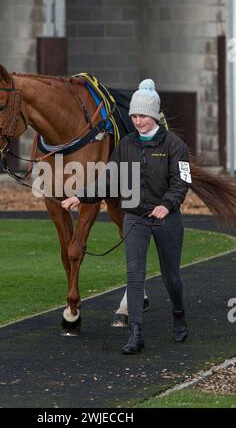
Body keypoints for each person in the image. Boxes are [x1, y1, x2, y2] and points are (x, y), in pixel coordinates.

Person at [62, 79, 191, 355]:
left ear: (154, 115)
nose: (137, 121)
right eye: (133, 116)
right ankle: (136, 334)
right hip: (135, 218)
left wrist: (167, 205)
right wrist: (80, 196)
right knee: (134, 276)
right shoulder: (125, 146)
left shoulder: (175, 145)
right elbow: (108, 179)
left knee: (171, 278)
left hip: (167, 219)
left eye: (142, 115)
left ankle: (178, 315)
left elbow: (181, 182)